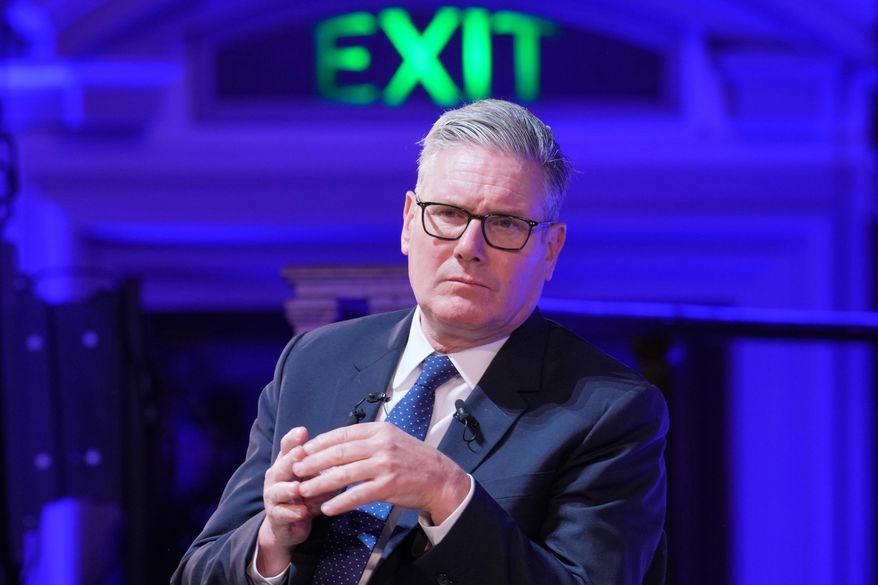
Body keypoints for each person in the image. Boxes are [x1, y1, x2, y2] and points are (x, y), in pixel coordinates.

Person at [171, 99, 668, 585]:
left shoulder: (611, 412)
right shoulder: (314, 360)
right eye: (449, 214)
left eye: (506, 223)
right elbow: (196, 572)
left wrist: (448, 492)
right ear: (410, 222)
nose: (470, 248)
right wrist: (270, 542)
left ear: (551, 249)